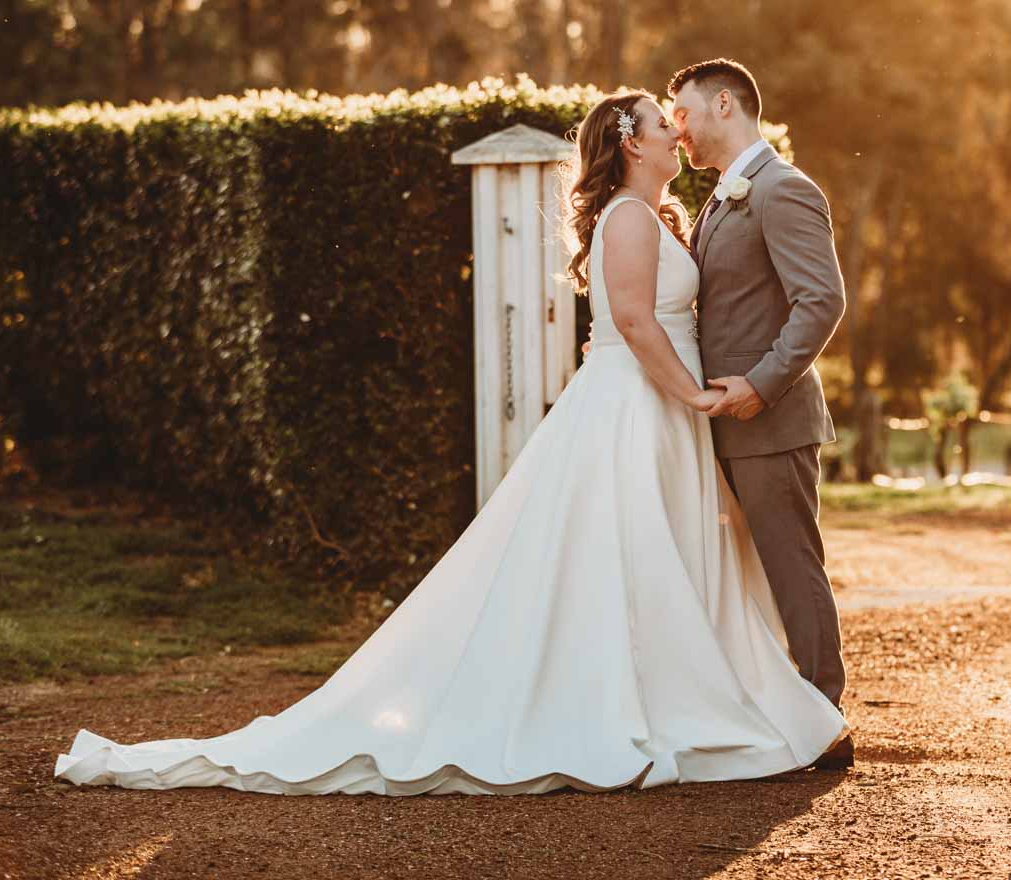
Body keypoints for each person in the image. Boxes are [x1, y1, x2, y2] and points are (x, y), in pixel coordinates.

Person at [52, 89, 846, 795]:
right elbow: (635, 323)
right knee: (625, 553)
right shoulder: (632, 217)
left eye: (682, 121)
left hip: (663, 411)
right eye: (660, 124)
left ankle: (675, 690)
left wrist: (702, 395)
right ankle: (629, 702)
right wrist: (695, 395)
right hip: (643, 406)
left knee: (657, 555)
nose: (677, 133)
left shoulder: (678, 212)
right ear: (631, 142)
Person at [669, 58, 852, 769]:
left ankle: (824, 720)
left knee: (791, 568)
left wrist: (761, 384)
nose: (677, 129)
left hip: (768, 422)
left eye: (682, 112)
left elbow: (822, 302)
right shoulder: (720, 198)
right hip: (719, 424)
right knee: (737, 579)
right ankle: (770, 708)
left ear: (724, 104)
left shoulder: (783, 189)